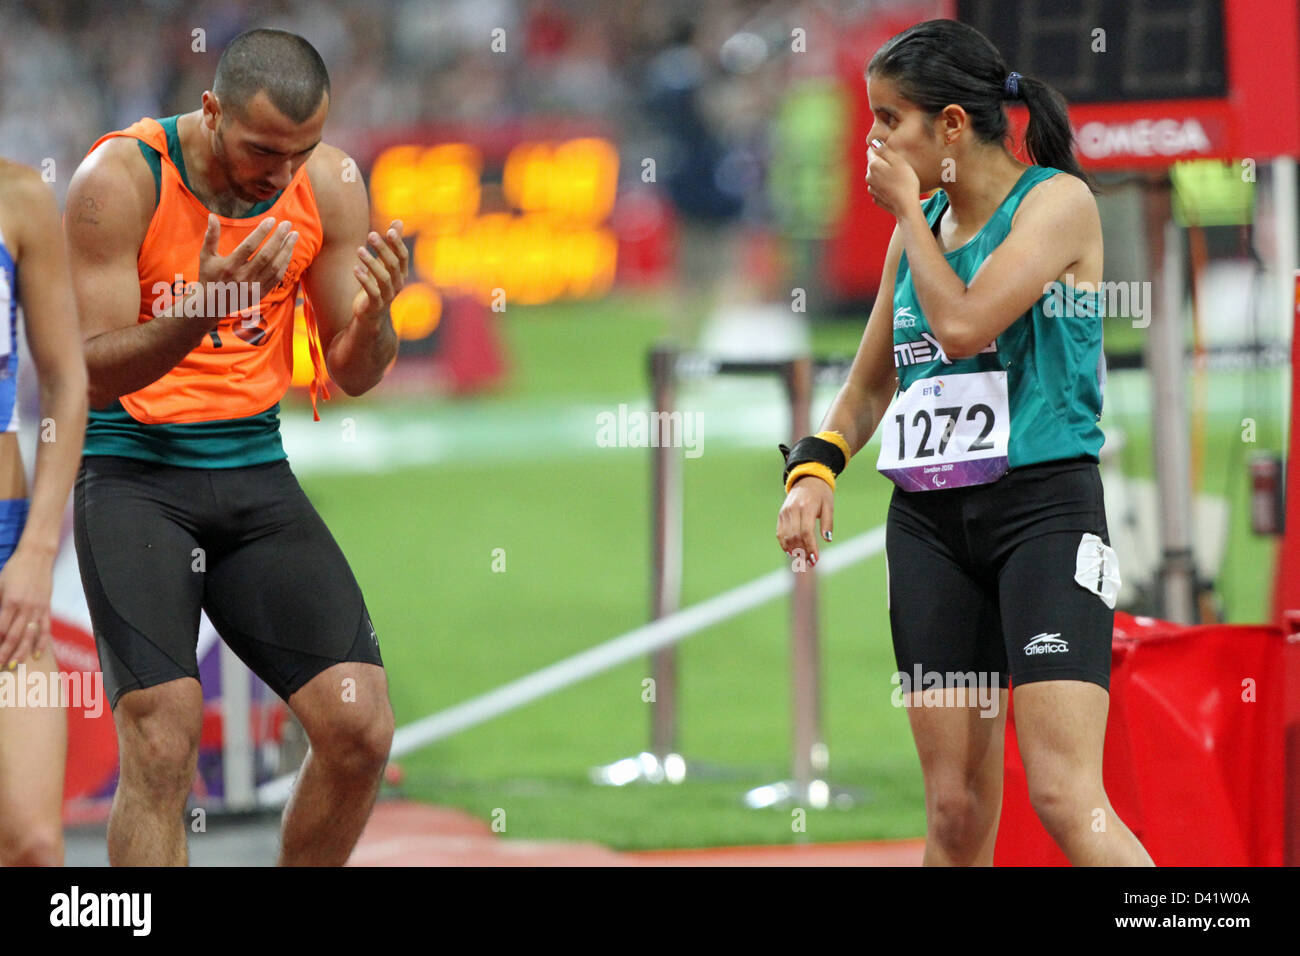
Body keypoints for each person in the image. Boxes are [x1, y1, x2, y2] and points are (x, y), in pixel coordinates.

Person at [775, 19, 1154, 866]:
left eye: (889, 119)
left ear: (951, 125)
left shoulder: (1057, 204)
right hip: (932, 528)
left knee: (1063, 797)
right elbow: (871, 382)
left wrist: (909, 213)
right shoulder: (918, 232)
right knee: (952, 809)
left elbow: (960, 324)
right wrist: (815, 468)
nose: (873, 139)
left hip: (1043, 517)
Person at [65, 28, 405, 866]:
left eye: (303, 151)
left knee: (360, 727)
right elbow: (89, 377)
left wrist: (376, 319)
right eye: (262, 150)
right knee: (162, 740)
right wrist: (200, 311)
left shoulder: (328, 185)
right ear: (210, 110)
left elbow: (355, 371)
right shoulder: (120, 181)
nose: (281, 175)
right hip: (135, 475)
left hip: (254, 473)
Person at [0, 158, 89, 866]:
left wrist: (35, 550)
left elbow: (65, 382)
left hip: (6, 548)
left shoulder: (19, 195)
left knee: (32, 841)